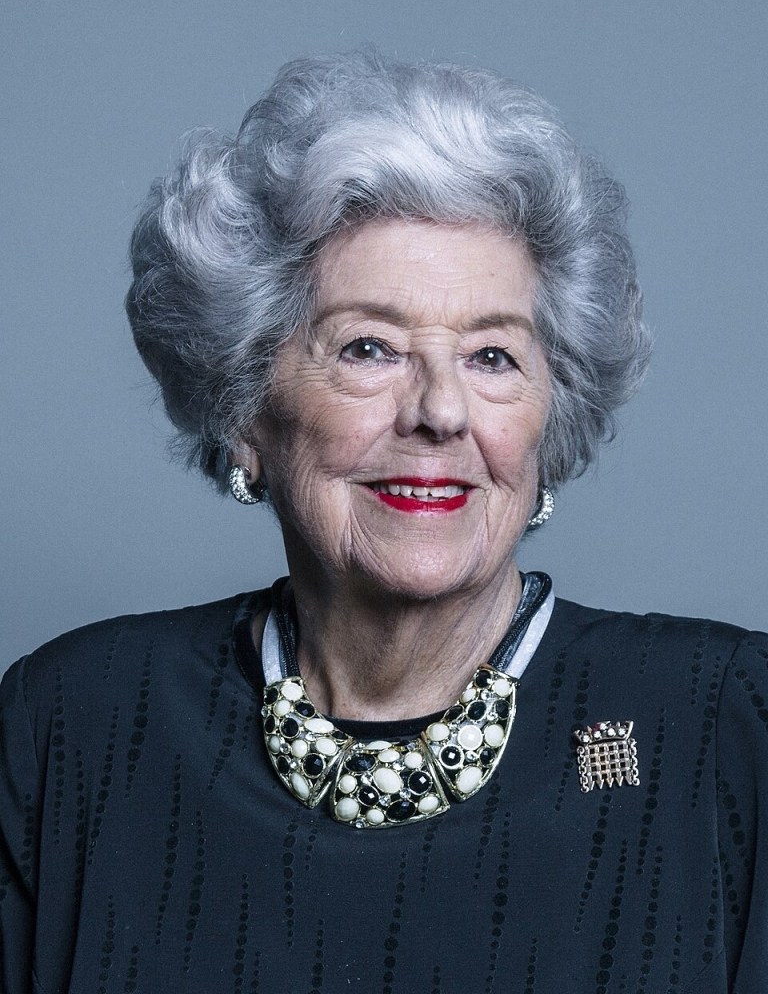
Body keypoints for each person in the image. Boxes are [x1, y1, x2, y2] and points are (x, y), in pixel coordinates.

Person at [1, 49, 765, 994]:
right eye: (370, 348)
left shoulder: (726, 725)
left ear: (551, 416)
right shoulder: (74, 729)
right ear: (245, 410)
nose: (440, 411)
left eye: (492, 356)